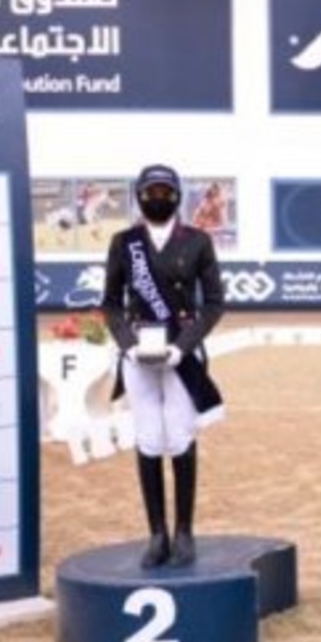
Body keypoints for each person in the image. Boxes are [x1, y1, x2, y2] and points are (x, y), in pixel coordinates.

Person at [101, 164, 225, 569]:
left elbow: (213, 303)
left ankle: (184, 531)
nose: (158, 198)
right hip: (139, 356)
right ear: (139, 195)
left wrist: (184, 346)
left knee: (181, 437)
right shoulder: (125, 243)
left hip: (180, 355)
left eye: (165, 191)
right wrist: (128, 344)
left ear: (176, 196)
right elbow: (110, 303)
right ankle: (157, 534)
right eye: (150, 191)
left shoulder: (198, 241)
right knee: (149, 438)